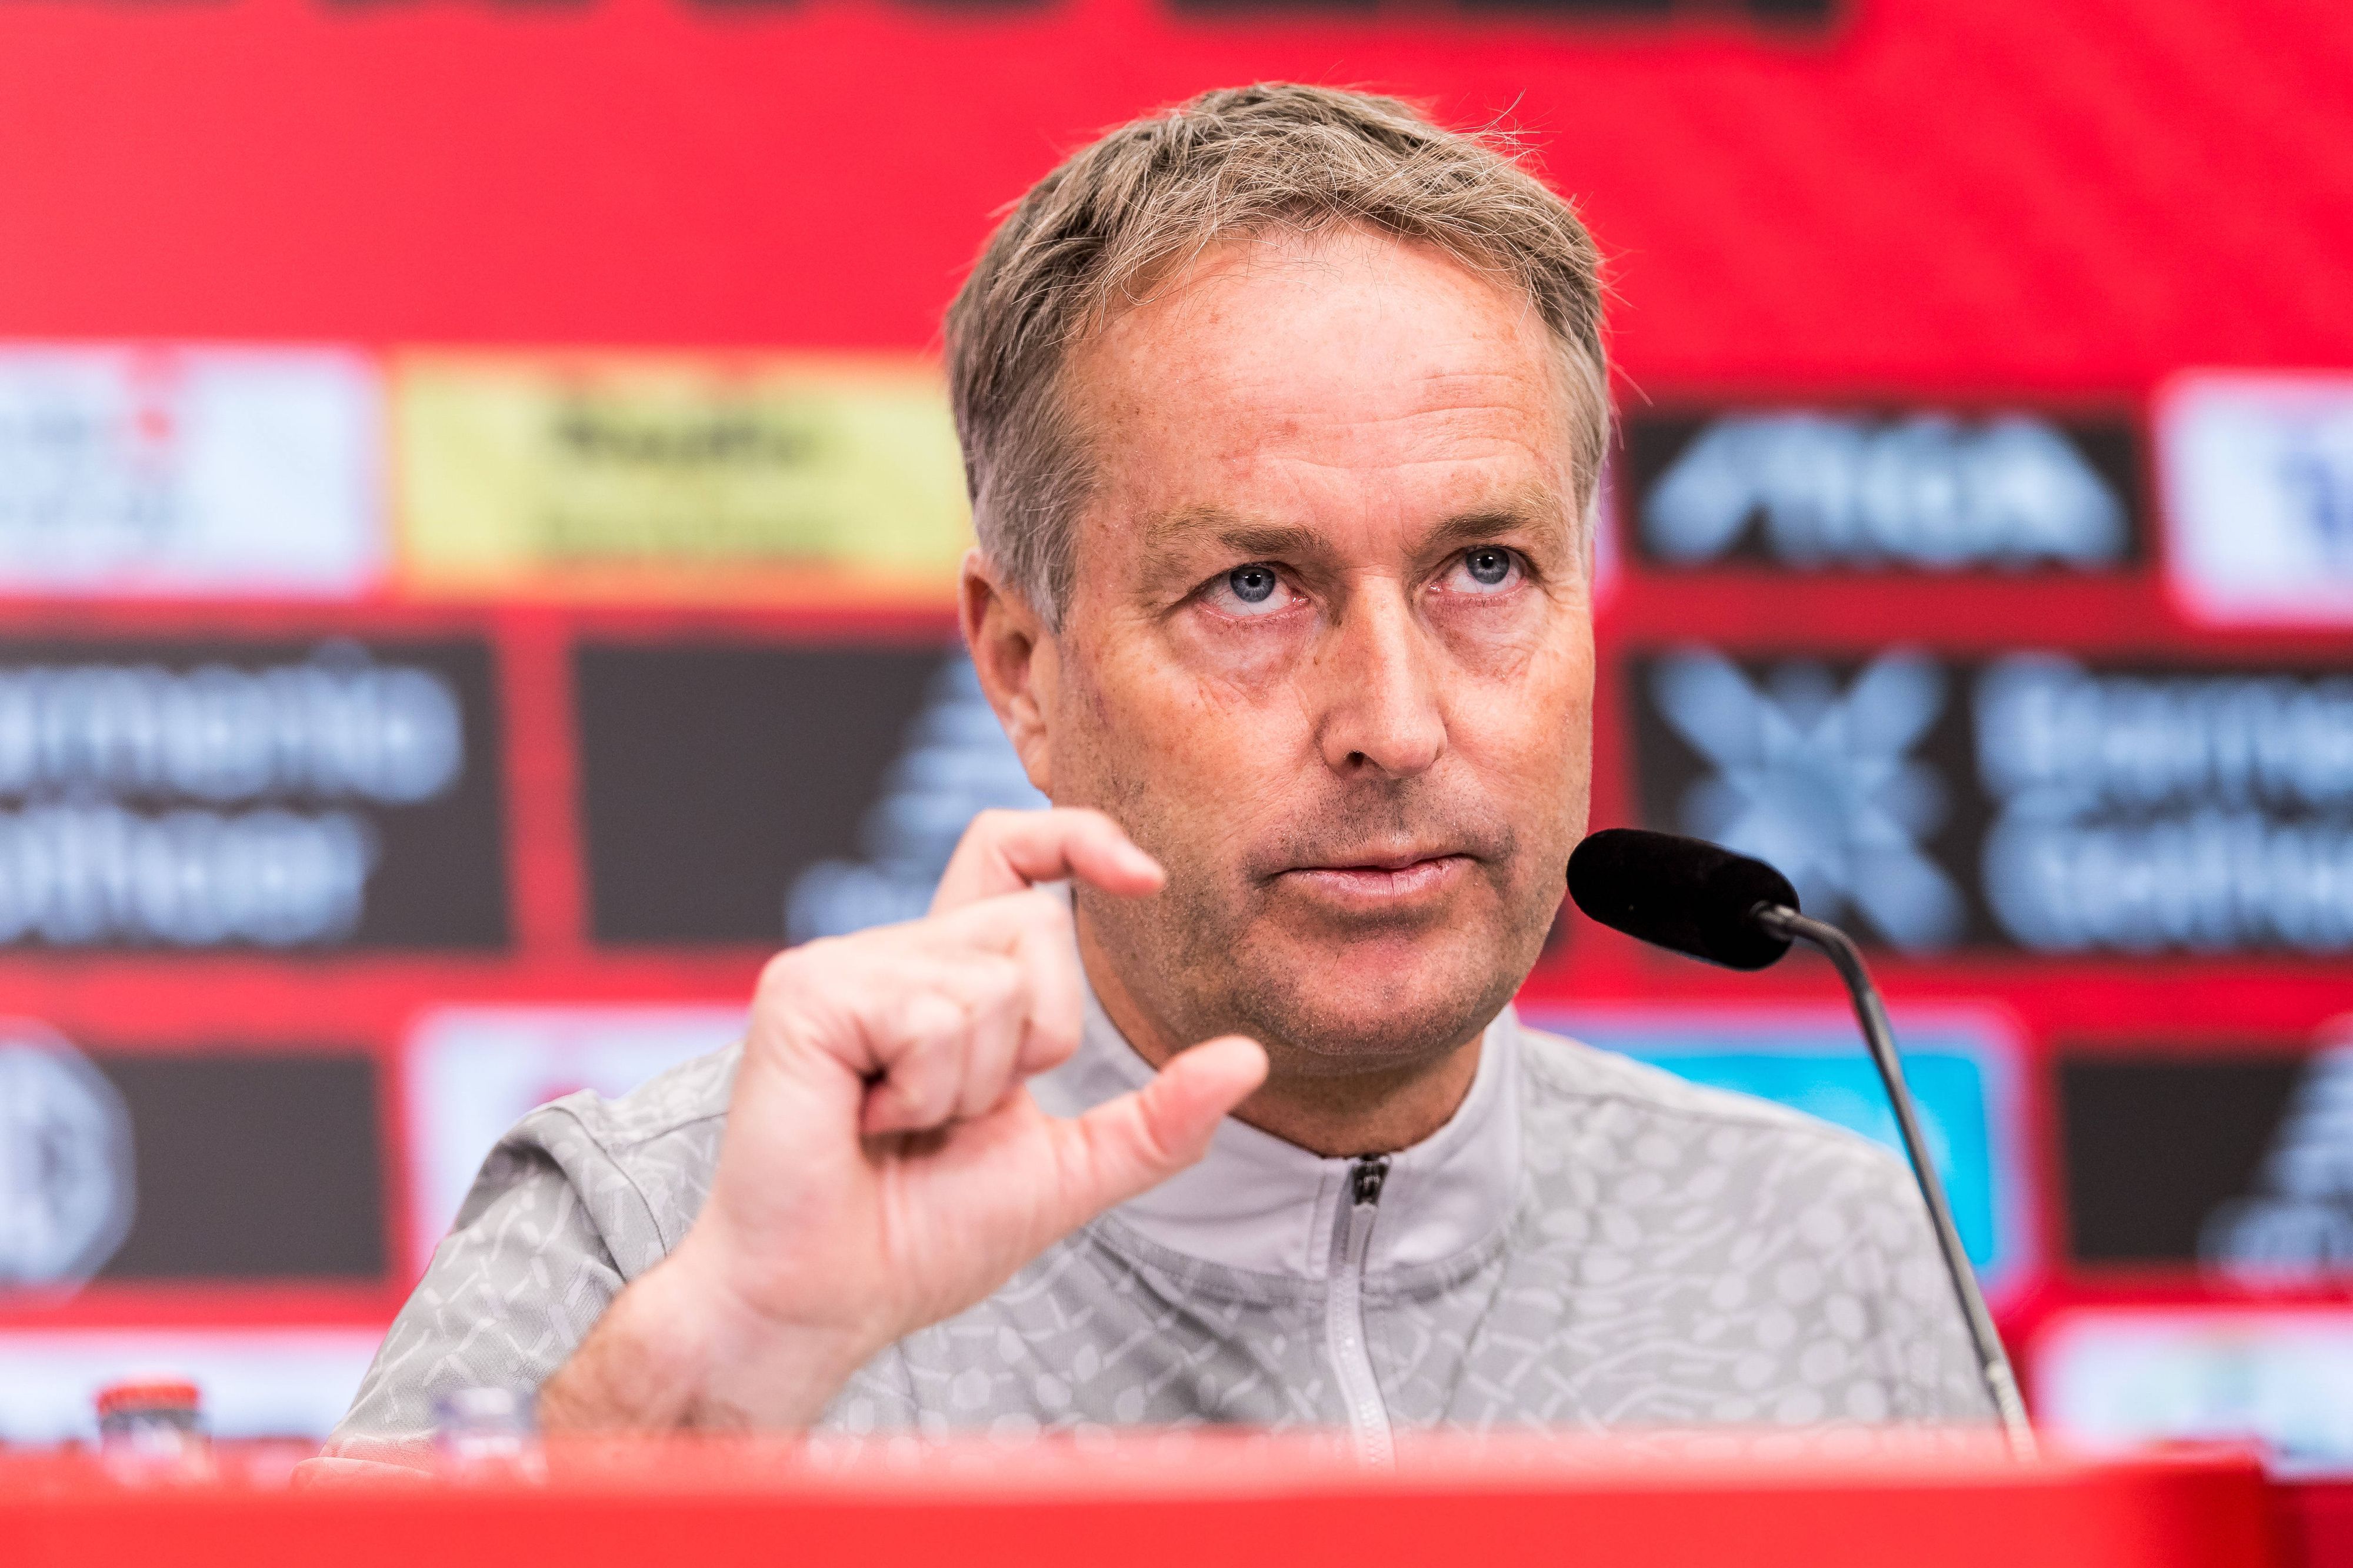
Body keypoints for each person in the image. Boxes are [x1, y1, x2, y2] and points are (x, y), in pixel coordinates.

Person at [330, 84, 1990, 1457]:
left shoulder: (1828, 1250)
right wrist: (718, 1374)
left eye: (1484, 568)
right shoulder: (654, 1236)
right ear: (1024, 669)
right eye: (1252, 587)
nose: (1396, 720)